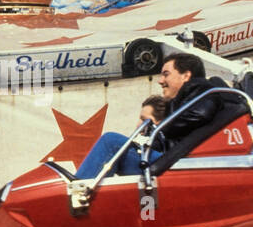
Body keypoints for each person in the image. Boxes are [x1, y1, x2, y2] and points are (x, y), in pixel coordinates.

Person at [74, 55, 225, 179]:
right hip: (172, 159)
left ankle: (77, 189)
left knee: (111, 142)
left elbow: (201, 113)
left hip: (174, 164)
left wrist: (157, 131)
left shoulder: (204, 91)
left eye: (166, 74)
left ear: (186, 76)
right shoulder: (188, 98)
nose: (160, 81)